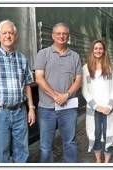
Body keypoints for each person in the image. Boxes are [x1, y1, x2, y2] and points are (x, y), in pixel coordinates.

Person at [34, 23, 82, 163]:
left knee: (70, 142)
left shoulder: (75, 56)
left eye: (65, 34)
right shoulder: (43, 54)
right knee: (45, 145)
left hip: (68, 107)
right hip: (46, 108)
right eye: (58, 33)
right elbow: (39, 78)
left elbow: (78, 80)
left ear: (68, 36)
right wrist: (56, 96)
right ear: (53, 35)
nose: (61, 36)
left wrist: (66, 95)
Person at [0, 20, 36, 163]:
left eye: (11, 33)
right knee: (1, 152)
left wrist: (31, 108)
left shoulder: (22, 58)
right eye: (4, 33)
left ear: (16, 36)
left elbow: (27, 85)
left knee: (22, 150)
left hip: (20, 111)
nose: (8, 36)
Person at [82, 39, 113, 163]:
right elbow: (85, 91)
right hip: (94, 108)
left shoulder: (111, 67)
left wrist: (109, 106)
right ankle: (98, 160)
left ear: (104, 51)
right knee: (95, 134)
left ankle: (106, 161)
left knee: (110, 133)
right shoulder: (86, 68)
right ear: (92, 50)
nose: (98, 51)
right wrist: (96, 106)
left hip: (109, 108)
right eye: (96, 48)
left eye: (100, 48)